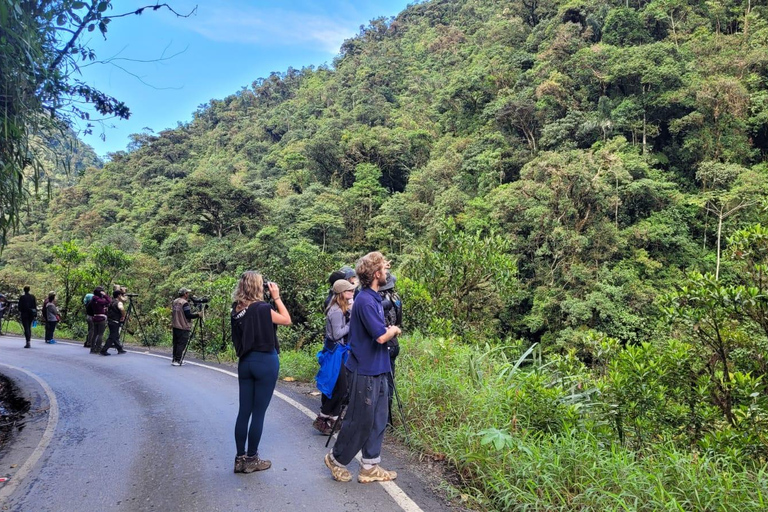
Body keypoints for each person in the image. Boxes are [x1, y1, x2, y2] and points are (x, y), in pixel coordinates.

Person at [324, 251, 401, 484]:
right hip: (364, 370)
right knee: (360, 419)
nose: (386, 272)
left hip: (378, 367)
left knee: (378, 418)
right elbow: (380, 337)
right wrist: (395, 330)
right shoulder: (366, 301)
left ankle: (370, 465)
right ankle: (336, 459)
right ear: (376, 273)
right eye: (384, 269)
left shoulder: (374, 298)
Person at [231, 271, 291, 474]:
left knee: (243, 411)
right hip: (265, 360)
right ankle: (252, 459)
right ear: (259, 287)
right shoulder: (263, 308)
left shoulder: (237, 308)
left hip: (245, 362)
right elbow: (286, 319)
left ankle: (239, 459)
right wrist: (276, 297)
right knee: (258, 413)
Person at [313, 279, 356, 435]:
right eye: (349, 291)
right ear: (341, 294)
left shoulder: (341, 308)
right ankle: (324, 417)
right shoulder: (336, 311)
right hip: (336, 353)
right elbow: (337, 333)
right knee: (340, 387)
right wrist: (352, 323)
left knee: (339, 387)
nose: (352, 293)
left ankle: (332, 420)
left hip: (339, 351)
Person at [378, 272, 403, 427]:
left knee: (381, 382)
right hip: (394, 344)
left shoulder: (379, 301)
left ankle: (382, 418)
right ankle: (387, 418)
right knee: (390, 381)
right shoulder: (396, 298)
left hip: (384, 344)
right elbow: (399, 321)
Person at [171, 288, 203, 366]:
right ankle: (177, 360)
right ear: (185, 294)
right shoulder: (184, 303)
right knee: (181, 344)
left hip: (175, 325)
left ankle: (174, 359)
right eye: (187, 293)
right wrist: (198, 314)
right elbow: (188, 315)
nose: (188, 295)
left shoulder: (175, 301)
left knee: (176, 343)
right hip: (183, 326)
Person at [100, 288, 127, 356]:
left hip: (110, 320)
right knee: (112, 336)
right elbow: (122, 309)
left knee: (115, 335)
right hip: (115, 321)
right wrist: (123, 316)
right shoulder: (119, 302)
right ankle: (104, 350)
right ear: (118, 296)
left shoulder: (111, 302)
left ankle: (120, 349)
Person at [89, 287, 111, 354]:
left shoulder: (93, 300)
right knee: (100, 334)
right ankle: (98, 347)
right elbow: (109, 301)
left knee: (95, 333)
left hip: (95, 317)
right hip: (101, 318)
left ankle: (92, 348)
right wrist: (105, 295)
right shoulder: (99, 300)